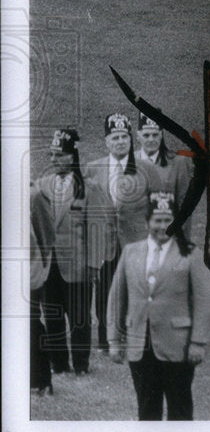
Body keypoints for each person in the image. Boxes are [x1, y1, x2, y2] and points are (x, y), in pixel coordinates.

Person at [107, 192, 210, 420]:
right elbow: (117, 298)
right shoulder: (130, 252)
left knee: (180, 409)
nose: (163, 226)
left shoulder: (190, 254)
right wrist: (114, 341)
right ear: (147, 222)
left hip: (178, 346)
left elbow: (205, 300)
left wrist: (198, 342)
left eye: (168, 220)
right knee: (147, 411)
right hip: (140, 345)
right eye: (157, 220)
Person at [85, 112, 162, 354]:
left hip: (136, 238)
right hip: (105, 240)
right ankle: (105, 340)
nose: (120, 142)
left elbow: (157, 204)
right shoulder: (93, 168)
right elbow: (86, 207)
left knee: (136, 288)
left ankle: (135, 336)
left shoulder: (146, 167)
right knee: (105, 288)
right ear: (106, 141)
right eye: (115, 137)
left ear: (131, 140)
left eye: (124, 137)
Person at [34, 128, 99, 375]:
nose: (53, 159)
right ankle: (58, 365)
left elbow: (98, 229)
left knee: (79, 318)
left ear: (71, 157)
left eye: (58, 154)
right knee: (52, 316)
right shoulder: (42, 185)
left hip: (78, 265)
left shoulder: (88, 188)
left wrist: (93, 264)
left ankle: (81, 365)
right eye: (51, 154)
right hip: (49, 264)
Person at [135, 112, 193, 235]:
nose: (151, 139)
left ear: (161, 135)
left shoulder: (178, 163)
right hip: (136, 238)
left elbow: (185, 207)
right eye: (146, 135)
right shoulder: (129, 161)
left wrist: (183, 243)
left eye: (155, 135)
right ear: (137, 136)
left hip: (167, 235)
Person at [29, 181, 55, 395]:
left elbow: (47, 235)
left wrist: (41, 268)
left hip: (26, 269)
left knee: (30, 321)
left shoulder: (33, 194)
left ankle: (41, 380)